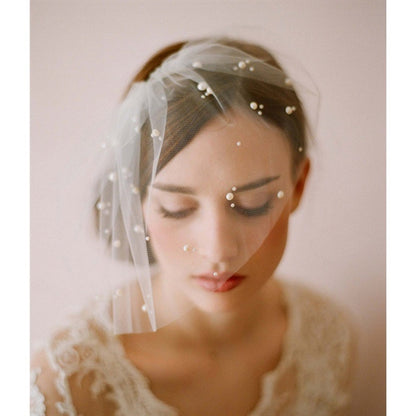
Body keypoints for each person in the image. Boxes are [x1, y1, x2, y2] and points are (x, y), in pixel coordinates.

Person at [31, 37, 353, 415]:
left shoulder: (327, 336)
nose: (218, 251)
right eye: (177, 208)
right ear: (136, 199)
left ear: (297, 186)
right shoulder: (70, 386)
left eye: (253, 205)